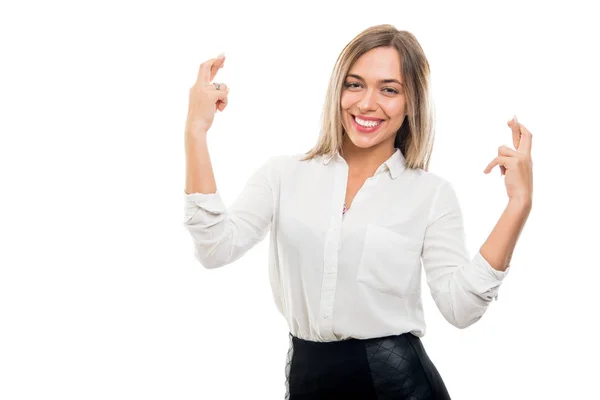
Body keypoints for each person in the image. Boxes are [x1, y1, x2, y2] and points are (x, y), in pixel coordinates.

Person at [182, 24, 533, 400]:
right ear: (338, 91)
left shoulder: (430, 195)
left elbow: (460, 308)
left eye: (389, 89)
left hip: (401, 388)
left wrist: (518, 206)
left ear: (411, 102)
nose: (367, 103)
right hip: (306, 384)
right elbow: (214, 248)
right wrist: (196, 131)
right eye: (354, 84)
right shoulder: (283, 176)